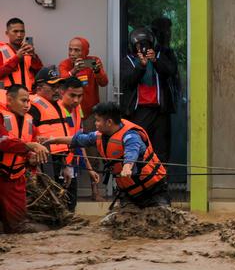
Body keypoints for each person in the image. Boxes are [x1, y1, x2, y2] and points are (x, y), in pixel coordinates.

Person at [46, 101, 168, 209]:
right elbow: (78, 140)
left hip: (153, 190)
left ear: (109, 122)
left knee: (163, 220)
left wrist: (127, 167)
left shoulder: (131, 135)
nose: (95, 124)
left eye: (98, 120)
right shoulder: (99, 135)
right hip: (130, 193)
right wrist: (53, 140)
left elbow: (132, 151)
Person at [119, 27, 178, 164]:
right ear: (133, 45)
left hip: (159, 111)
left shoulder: (158, 57)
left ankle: (161, 182)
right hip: (138, 112)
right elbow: (128, 82)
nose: (143, 48)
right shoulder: (128, 61)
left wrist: (155, 61)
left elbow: (171, 71)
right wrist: (141, 66)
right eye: (139, 44)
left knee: (161, 149)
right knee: (139, 146)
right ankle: (141, 181)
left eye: (146, 44)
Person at [59, 36, 108, 201]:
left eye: (77, 50)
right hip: (70, 115)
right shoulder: (65, 64)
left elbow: (104, 82)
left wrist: (97, 70)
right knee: (69, 151)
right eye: (70, 49)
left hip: (90, 116)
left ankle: (95, 191)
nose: (72, 53)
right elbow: (62, 83)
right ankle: (67, 193)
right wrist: (73, 71)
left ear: (85, 51)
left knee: (93, 153)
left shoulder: (93, 62)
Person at [28, 67, 84, 210]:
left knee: (63, 201)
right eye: (53, 86)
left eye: (58, 86)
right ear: (39, 87)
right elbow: (27, 138)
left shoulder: (57, 106)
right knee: (47, 202)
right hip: (43, 162)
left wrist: (65, 165)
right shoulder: (32, 107)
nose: (57, 90)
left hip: (59, 161)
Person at [0, 84, 49, 233]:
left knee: (17, 227)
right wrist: (31, 146)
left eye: (28, 101)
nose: (27, 105)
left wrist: (32, 158)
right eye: (23, 101)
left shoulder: (30, 123)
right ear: (9, 99)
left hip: (16, 178)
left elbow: (29, 149)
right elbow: (3, 142)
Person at [58, 81, 100, 209]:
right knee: (61, 202)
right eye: (72, 95)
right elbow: (58, 144)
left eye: (80, 96)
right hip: (58, 163)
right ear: (61, 92)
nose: (76, 100)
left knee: (71, 202)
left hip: (72, 163)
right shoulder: (57, 111)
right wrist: (65, 165)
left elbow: (80, 141)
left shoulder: (77, 109)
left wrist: (90, 169)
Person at [0, 18, 43, 92]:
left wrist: (34, 57)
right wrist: (16, 58)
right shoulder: (1, 51)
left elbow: (41, 75)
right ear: (7, 33)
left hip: (28, 95)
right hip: (9, 96)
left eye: (22, 31)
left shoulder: (29, 51)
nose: (19, 35)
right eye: (15, 31)